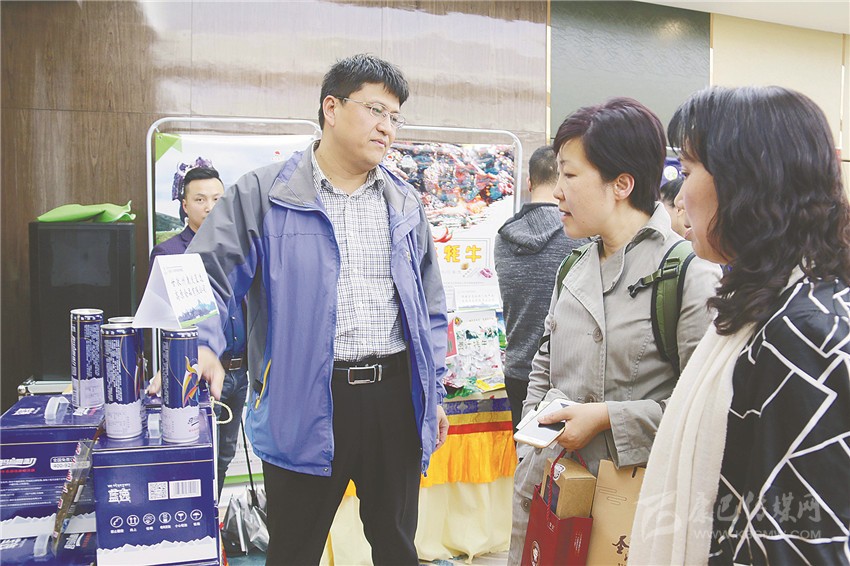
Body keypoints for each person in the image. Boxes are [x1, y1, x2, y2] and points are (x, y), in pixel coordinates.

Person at [185, 54, 449, 565]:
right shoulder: (264, 194)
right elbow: (203, 275)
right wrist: (202, 343)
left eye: (395, 117)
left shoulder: (404, 203)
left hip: (394, 398)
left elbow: (430, 307)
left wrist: (433, 389)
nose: (387, 127)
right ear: (331, 107)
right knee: (294, 550)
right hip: (303, 400)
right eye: (375, 110)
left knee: (397, 545)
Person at [631, 86, 850, 564]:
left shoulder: (802, 336)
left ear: (744, 182)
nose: (680, 196)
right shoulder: (768, 305)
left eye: (688, 171)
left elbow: (806, 543)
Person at [508, 98, 722, 563]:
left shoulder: (688, 273)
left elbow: (704, 413)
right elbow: (543, 367)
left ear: (622, 184)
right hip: (555, 493)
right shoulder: (573, 267)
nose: (556, 191)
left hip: (634, 509)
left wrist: (608, 417)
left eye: (570, 175)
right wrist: (530, 451)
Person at [148, 161, 248, 496]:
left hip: (239, 371)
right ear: (185, 205)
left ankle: (213, 517)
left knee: (224, 456)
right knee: (196, 457)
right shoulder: (169, 253)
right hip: (195, 373)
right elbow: (166, 317)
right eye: (201, 199)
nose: (210, 207)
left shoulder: (238, 251)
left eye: (218, 199)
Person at [494, 145, 588, 431]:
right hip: (565, 373)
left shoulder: (503, 237)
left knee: (525, 451)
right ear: (562, 182)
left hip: (517, 369)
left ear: (529, 182)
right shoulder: (580, 235)